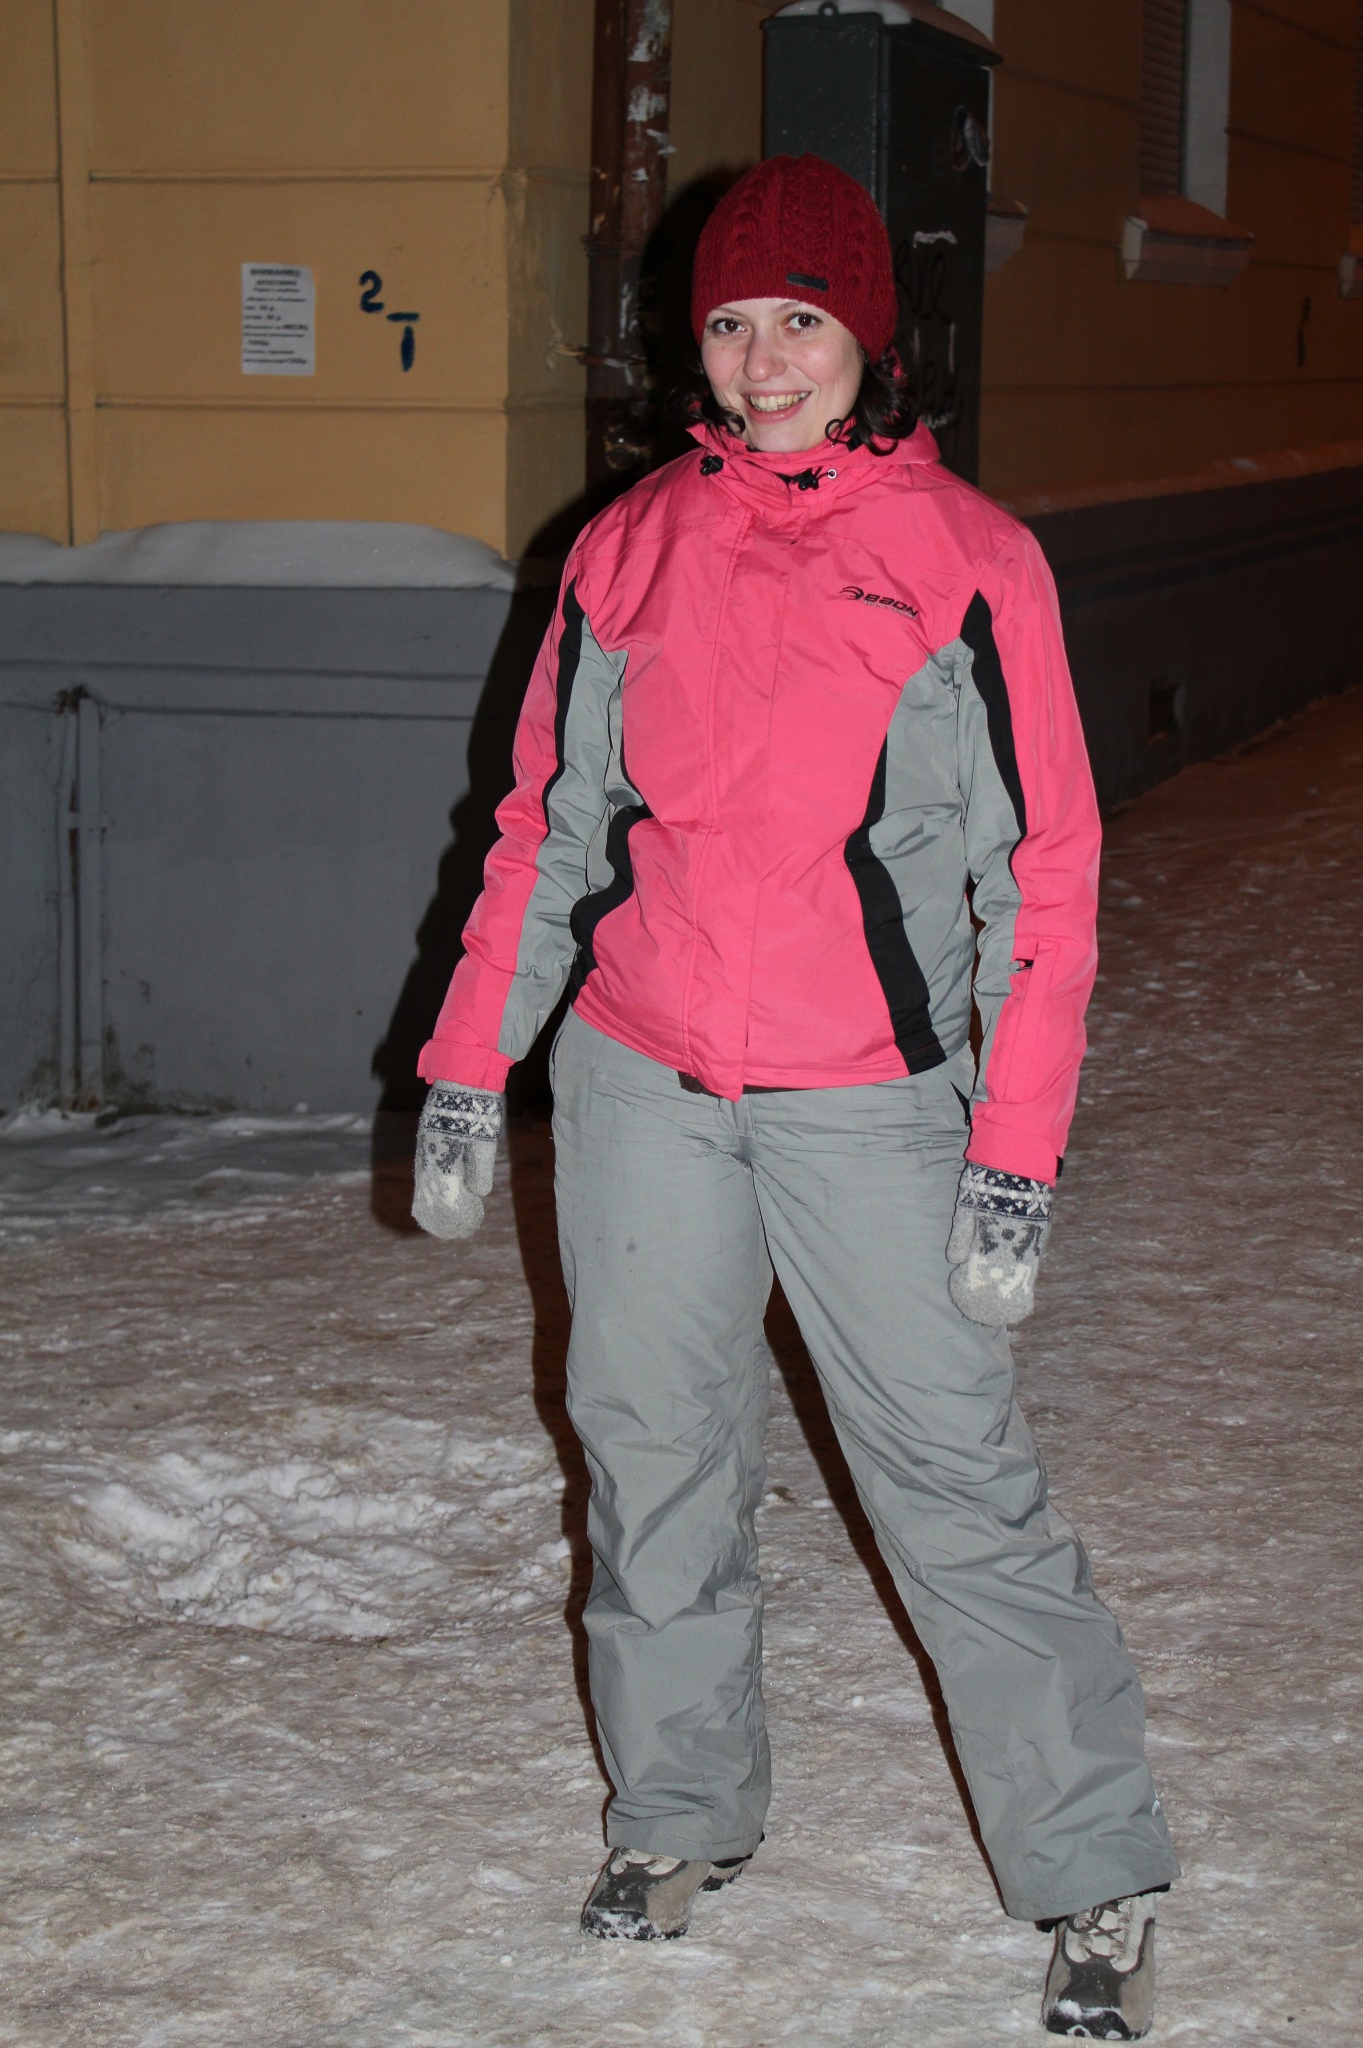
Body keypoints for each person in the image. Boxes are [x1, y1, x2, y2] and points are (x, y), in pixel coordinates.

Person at [412, 154, 1179, 2038]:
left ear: (867, 340)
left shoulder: (969, 560)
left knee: (952, 1478)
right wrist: (465, 1067)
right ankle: (677, 1814)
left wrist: (1012, 1154)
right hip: (642, 1078)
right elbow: (547, 826)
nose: (764, 361)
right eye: (735, 324)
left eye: (802, 322)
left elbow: (1045, 878)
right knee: (653, 1450)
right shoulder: (626, 549)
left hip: (871, 1100)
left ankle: (1090, 1865)